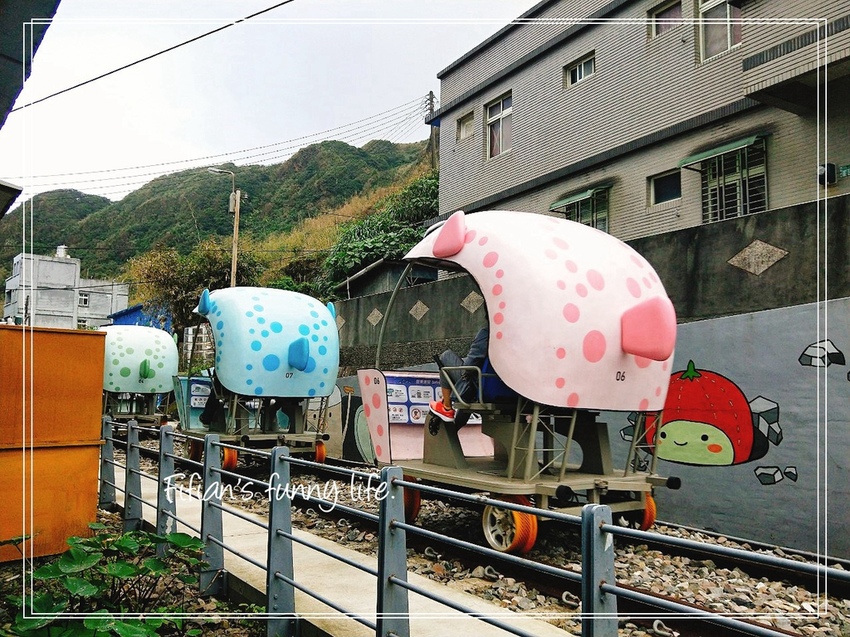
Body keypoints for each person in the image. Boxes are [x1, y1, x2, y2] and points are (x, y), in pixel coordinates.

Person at [428, 325, 489, 434]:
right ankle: (454, 428)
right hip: (507, 391)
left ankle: (446, 407)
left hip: (480, 388)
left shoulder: (487, 333)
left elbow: (469, 365)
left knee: (446, 357)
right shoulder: (511, 337)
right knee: (468, 391)